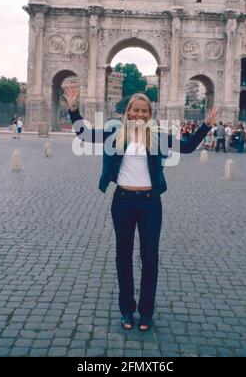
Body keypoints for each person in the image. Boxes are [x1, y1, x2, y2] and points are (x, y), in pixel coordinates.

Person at [63, 85, 218, 332]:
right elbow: (85, 136)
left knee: (150, 258)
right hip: (122, 201)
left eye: (144, 111)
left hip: (150, 203)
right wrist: (73, 108)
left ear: (149, 113)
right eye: (136, 110)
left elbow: (187, 147)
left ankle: (146, 312)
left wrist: (207, 125)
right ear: (128, 112)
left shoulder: (156, 135)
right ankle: (127, 308)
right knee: (123, 257)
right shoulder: (116, 132)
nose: (140, 115)